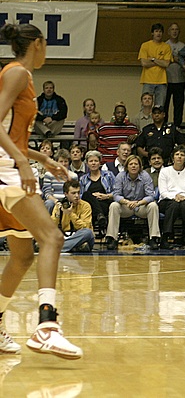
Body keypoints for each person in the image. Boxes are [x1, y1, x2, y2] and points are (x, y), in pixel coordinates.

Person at [0, 22, 83, 359]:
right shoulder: (17, 72)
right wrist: (21, 162)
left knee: (21, 257)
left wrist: (41, 159)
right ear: (38, 43)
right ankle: (46, 327)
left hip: (10, 163)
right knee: (53, 237)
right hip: (5, 169)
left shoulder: (23, 77)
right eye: (45, 45)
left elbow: (12, 132)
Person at [105, 154, 161, 251]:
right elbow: (116, 195)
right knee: (114, 205)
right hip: (126, 206)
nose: (133, 166)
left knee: (153, 205)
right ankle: (112, 238)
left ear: (140, 166)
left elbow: (151, 196)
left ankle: (154, 238)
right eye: (131, 164)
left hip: (141, 206)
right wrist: (126, 202)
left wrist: (138, 203)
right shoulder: (120, 176)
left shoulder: (145, 176)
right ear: (127, 166)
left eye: (136, 164)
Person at [158, 146, 185, 249]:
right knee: (174, 205)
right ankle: (166, 237)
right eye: (177, 154)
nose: (179, 157)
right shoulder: (164, 171)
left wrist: (182, 197)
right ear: (172, 157)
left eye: (182, 155)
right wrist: (174, 196)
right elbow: (163, 192)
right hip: (166, 201)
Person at [50, 180, 95, 253]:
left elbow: (85, 227)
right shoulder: (59, 206)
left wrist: (71, 214)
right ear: (66, 194)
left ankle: (56, 247)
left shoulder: (85, 206)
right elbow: (51, 228)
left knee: (88, 232)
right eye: (73, 193)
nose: (77, 196)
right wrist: (57, 215)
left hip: (79, 236)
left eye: (78, 192)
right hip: (64, 236)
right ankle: (74, 247)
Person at [138, 23, 172, 108]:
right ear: (152, 33)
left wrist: (153, 59)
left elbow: (166, 64)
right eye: (156, 31)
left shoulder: (166, 47)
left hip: (161, 81)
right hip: (148, 80)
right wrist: (160, 61)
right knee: (145, 106)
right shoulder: (145, 45)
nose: (158, 33)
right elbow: (144, 63)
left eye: (160, 31)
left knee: (159, 107)